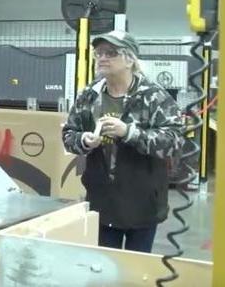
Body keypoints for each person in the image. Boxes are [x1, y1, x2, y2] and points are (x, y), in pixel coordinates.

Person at [62, 30, 183, 253]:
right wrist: (84, 140)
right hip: (102, 200)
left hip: (142, 202)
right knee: (104, 267)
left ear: (130, 59)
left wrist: (129, 132)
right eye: (99, 53)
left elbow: (174, 141)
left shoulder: (153, 96)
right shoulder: (89, 95)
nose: (102, 58)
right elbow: (69, 134)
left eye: (111, 53)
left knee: (136, 270)